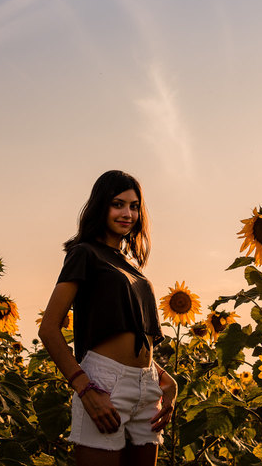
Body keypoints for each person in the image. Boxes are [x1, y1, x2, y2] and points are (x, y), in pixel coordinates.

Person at [38, 170, 177, 466]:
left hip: (147, 384)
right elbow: (49, 329)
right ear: (100, 206)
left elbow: (126, 332)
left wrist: (165, 379)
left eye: (134, 206)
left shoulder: (131, 265)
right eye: (118, 204)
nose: (128, 214)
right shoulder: (84, 254)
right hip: (104, 384)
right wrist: (85, 388)